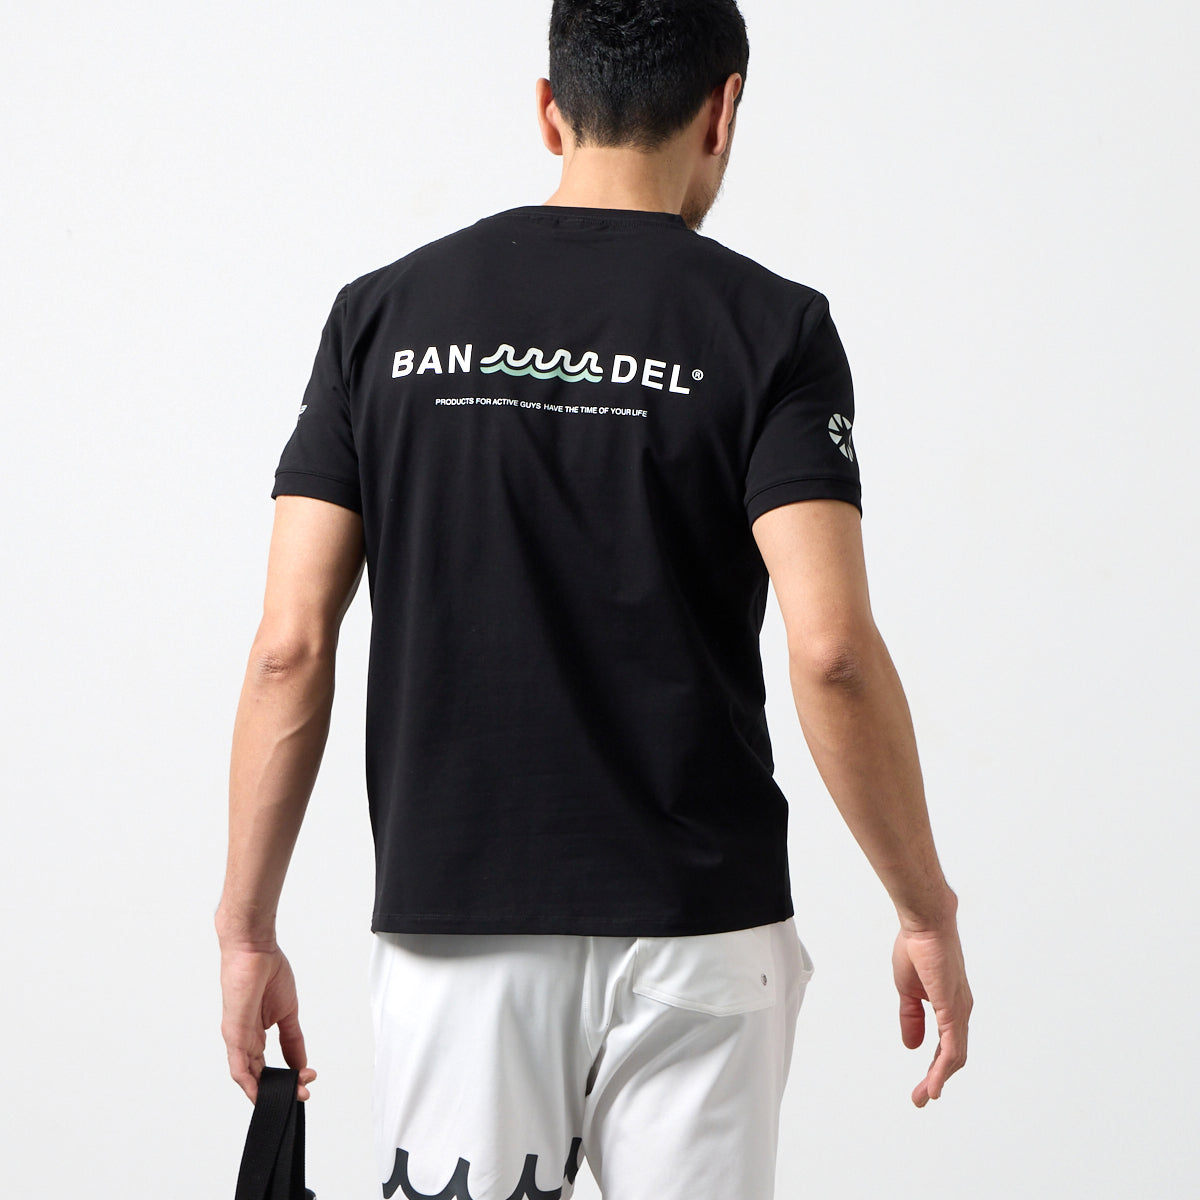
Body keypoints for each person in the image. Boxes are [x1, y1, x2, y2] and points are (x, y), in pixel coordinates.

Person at [216, 1, 973, 1196]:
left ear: (549, 110)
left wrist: (247, 928)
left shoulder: (382, 317)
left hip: (459, 924)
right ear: (724, 110)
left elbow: (289, 648)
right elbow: (831, 649)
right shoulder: (775, 329)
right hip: (702, 930)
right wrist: (923, 907)